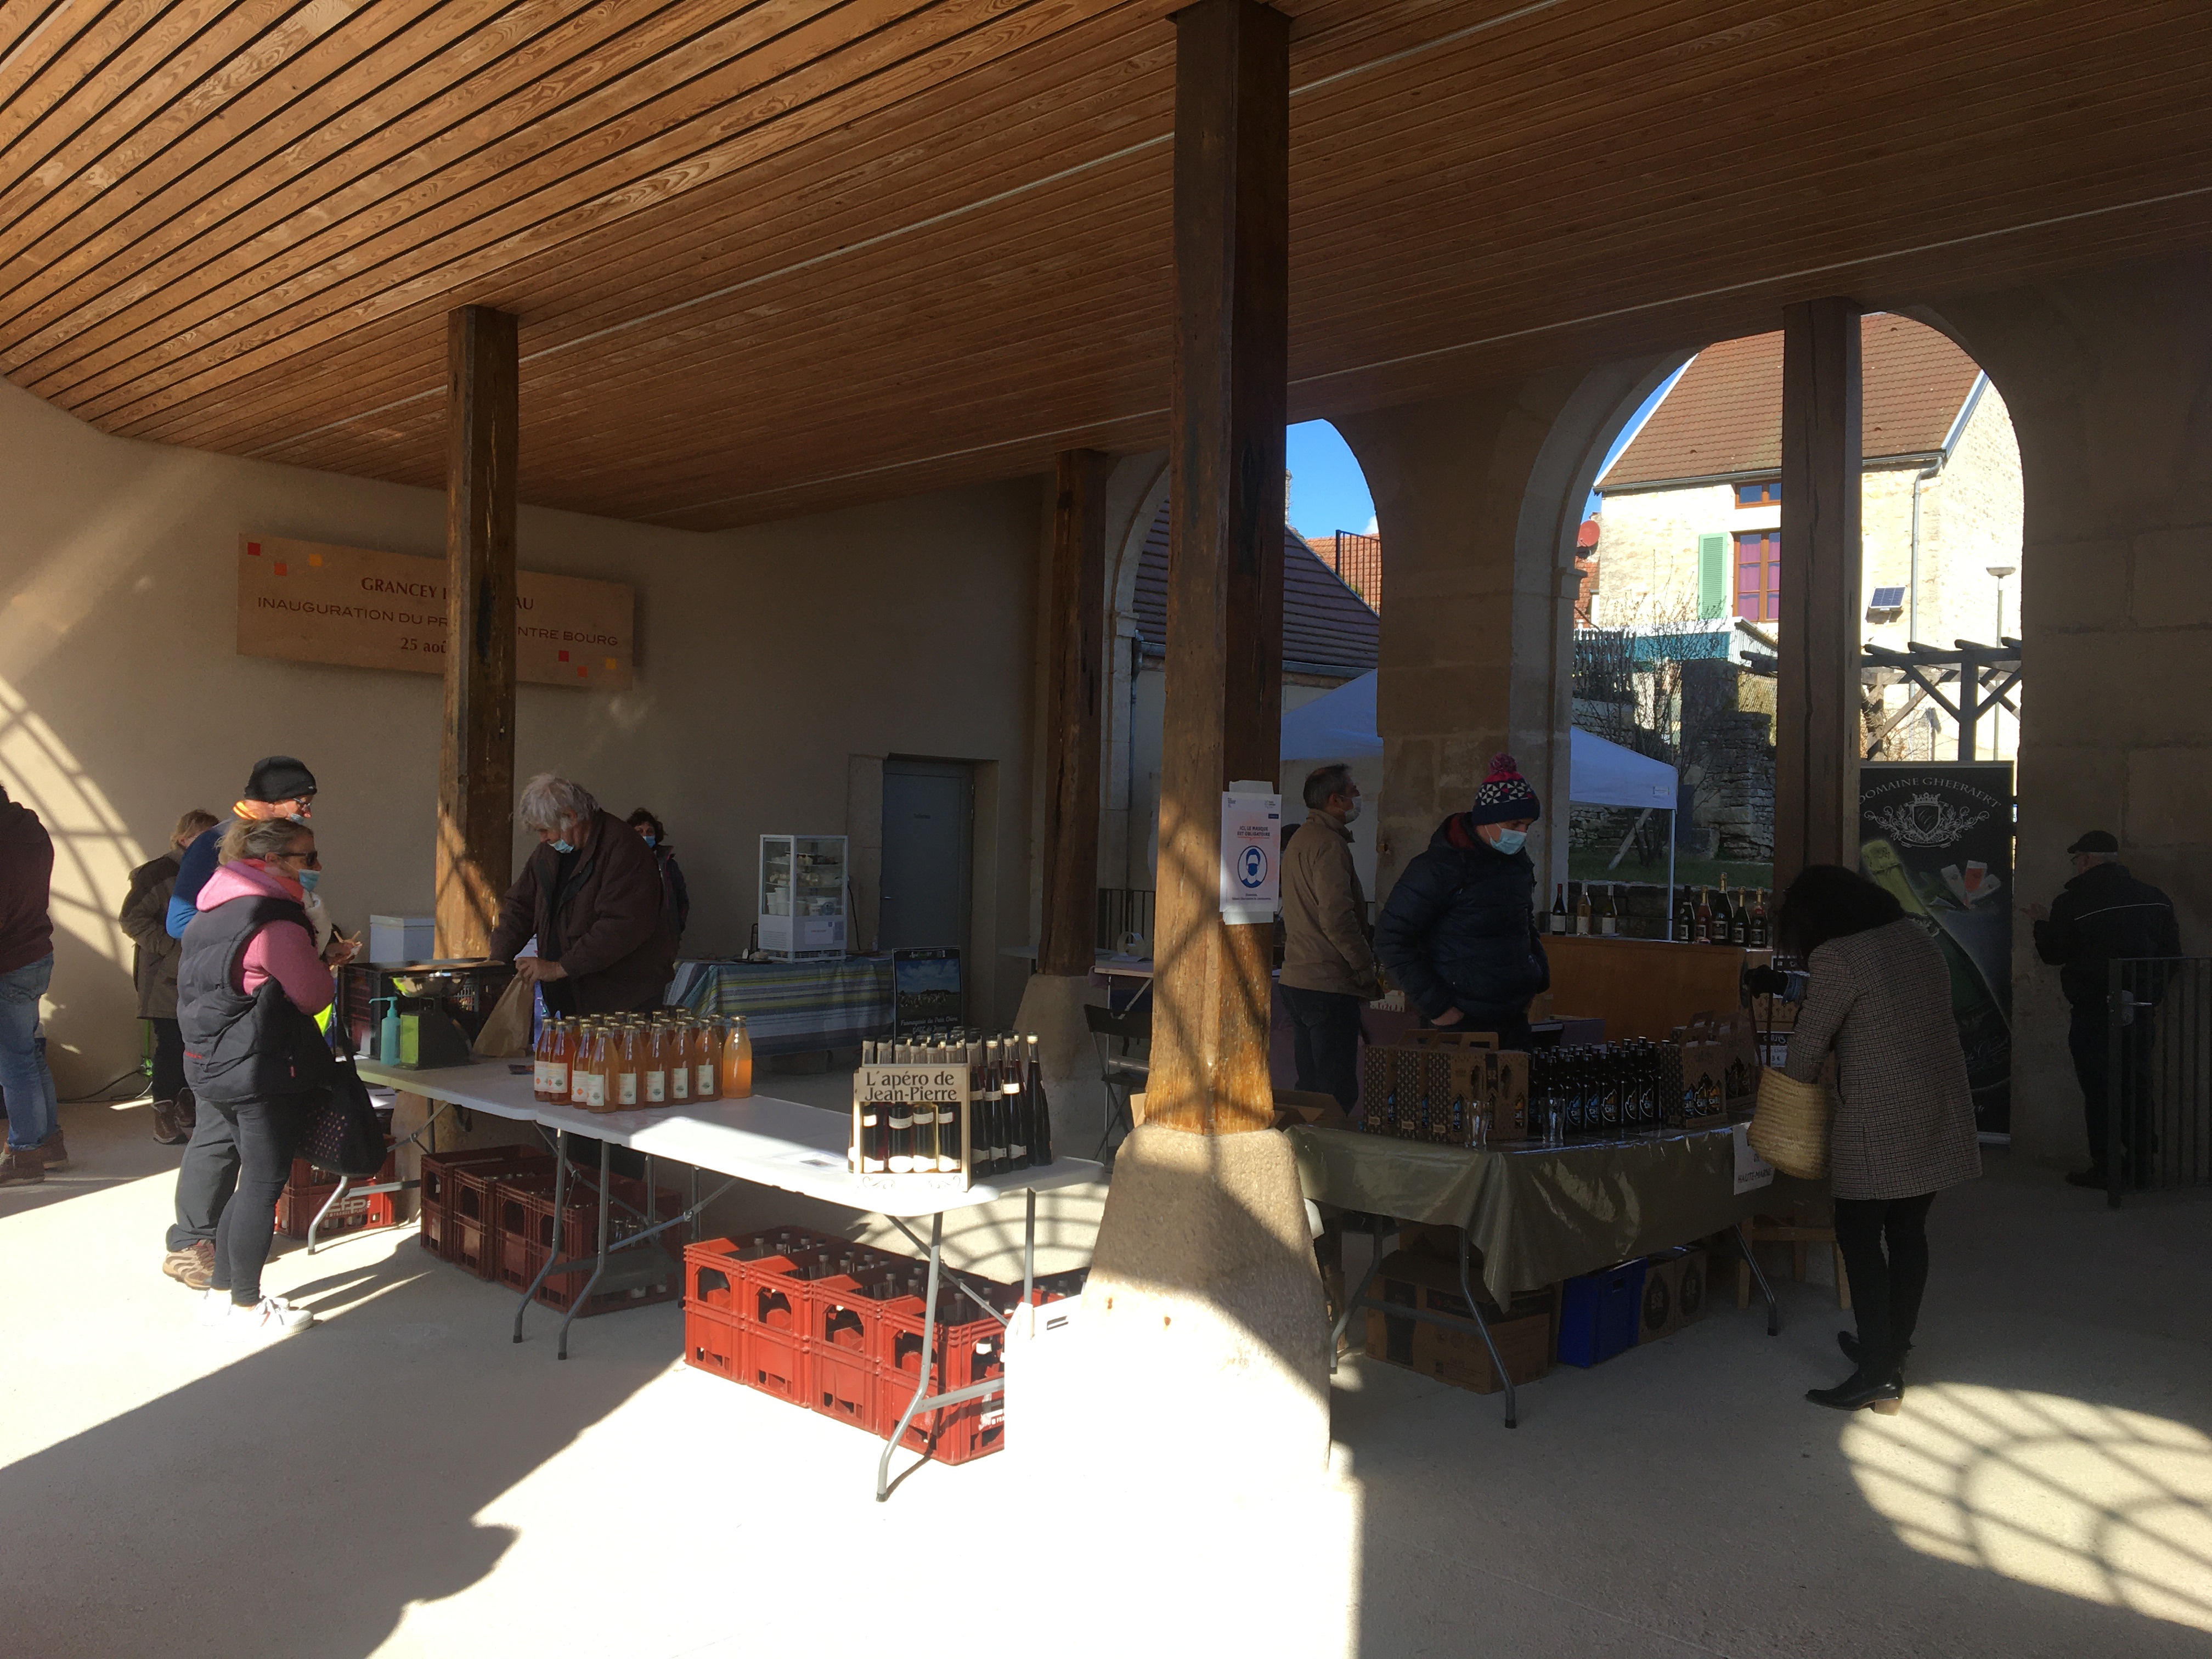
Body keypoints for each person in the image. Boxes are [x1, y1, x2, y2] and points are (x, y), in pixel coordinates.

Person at [1775, 865, 1980, 1414]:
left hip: (1879, 1118)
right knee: (1908, 1230)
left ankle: (1877, 1374)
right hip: (1938, 1106)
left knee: (1859, 1234)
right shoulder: (1917, 939)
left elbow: (1808, 1045)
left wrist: (1783, 1092)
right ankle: (1892, 1348)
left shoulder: (1838, 957)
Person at [176, 817, 358, 1336]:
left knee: (249, 1179)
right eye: (308, 857)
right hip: (258, 1066)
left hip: (210, 1060)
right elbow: (313, 996)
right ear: (273, 860)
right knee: (262, 1183)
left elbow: (246, 976)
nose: (317, 866)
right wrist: (322, 966)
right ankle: (247, 1305)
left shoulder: (214, 907)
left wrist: (311, 957)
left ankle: (222, 1293)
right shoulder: (275, 918)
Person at [160, 756, 325, 1290]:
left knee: (236, 1153)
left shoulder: (267, 881)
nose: (306, 811)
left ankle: (221, 1259)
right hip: (233, 1024)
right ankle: (194, 1243)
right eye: (301, 801)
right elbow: (181, 921)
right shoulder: (219, 849)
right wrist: (252, 949)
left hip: (227, 1023)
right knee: (244, 1164)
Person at [2025, 830, 2181, 1188]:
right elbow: (2172, 956)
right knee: (2137, 1085)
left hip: (2093, 1009)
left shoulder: (2073, 903)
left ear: (2086, 861)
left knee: (2099, 1089)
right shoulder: (2155, 899)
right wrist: (2150, 994)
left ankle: (2107, 1166)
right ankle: (2141, 1165)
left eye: (2077, 860)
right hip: (2138, 1008)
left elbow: (2054, 954)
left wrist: (2040, 924)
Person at [1374, 752, 1548, 1049]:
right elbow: (1390, 938)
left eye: (1527, 826)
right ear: (1487, 820)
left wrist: (1537, 973)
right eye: (1515, 824)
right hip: (1460, 1022)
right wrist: (1438, 1008)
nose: (1522, 834)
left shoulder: (1516, 863)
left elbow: (1523, 920)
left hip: (1512, 1017)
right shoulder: (1438, 868)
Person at [490, 775, 677, 1016]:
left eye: (545, 830)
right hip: (571, 996)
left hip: (622, 1000)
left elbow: (622, 925)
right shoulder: (547, 853)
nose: (543, 838)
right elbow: (520, 907)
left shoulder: (624, 848)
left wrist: (560, 968)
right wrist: (496, 963)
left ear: (571, 817)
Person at [1279, 763, 1380, 1111]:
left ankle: (1306, 1142)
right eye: (1353, 791)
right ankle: (1328, 1146)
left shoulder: (1301, 840)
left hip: (1298, 979)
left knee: (1310, 1090)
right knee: (1335, 1094)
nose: (1358, 797)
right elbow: (1338, 918)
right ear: (1335, 800)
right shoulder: (1330, 844)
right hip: (1327, 982)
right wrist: (1365, 966)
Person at [121, 809, 219, 1144]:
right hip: (164, 977)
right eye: (201, 838)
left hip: (204, 972)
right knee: (172, 1043)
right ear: (182, 839)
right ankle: (163, 1113)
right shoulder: (157, 873)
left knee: (197, 1043)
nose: (210, 846)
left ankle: (185, 1102)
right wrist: (171, 948)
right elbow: (132, 919)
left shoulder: (219, 871)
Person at [0, 782, 61, 1188]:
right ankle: (50, 1143)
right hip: (36, 952)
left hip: (8, 961)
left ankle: (24, 1155)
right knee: (29, 1054)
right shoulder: (30, 829)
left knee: (14, 1060)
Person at [627, 808, 691, 952]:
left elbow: (682, 900)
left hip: (664, 938)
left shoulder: (669, 865)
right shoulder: (621, 864)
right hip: (631, 939)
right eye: (639, 831)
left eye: (650, 832)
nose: (645, 835)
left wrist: (676, 927)